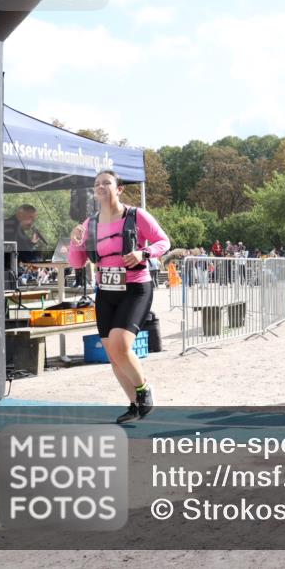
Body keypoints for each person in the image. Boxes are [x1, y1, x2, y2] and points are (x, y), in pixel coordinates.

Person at [68, 170, 170, 424]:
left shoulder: (136, 216)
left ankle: (144, 390)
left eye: (107, 183)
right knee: (113, 354)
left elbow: (163, 242)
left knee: (121, 344)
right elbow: (77, 263)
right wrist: (75, 242)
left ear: (119, 189)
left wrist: (142, 254)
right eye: (97, 184)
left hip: (135, 288)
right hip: (106, 291)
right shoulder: (89, 224)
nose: (101, 187)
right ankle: (135, 405)